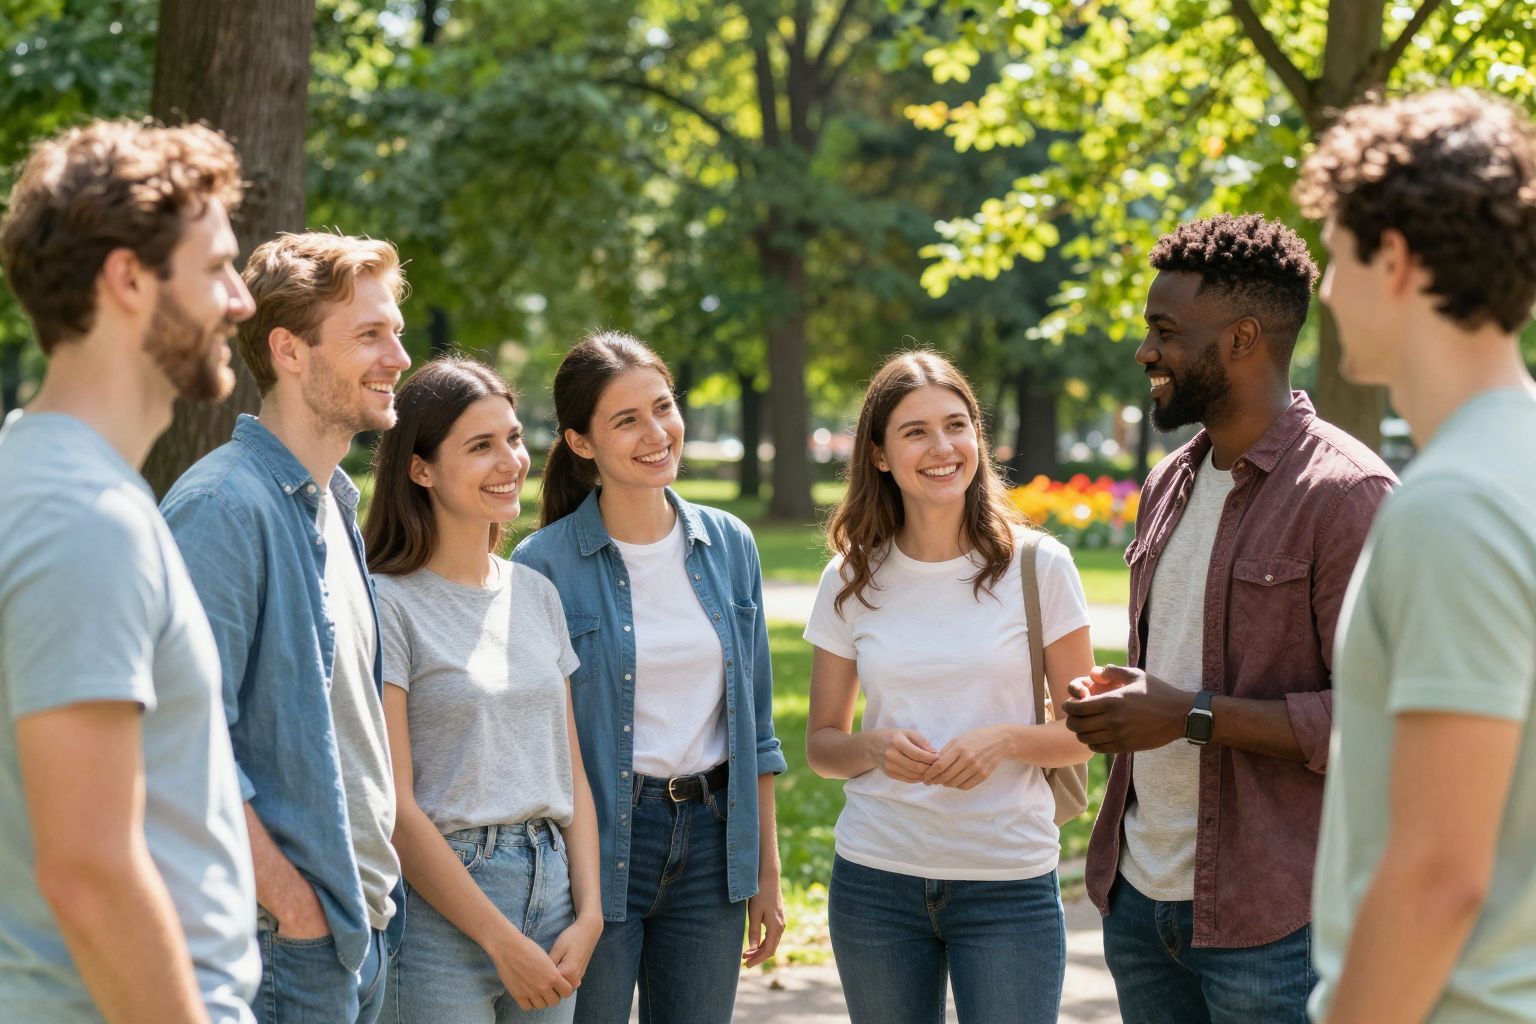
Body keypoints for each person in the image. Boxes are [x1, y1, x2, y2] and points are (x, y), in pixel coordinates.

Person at [1060, 213, 1396, 1024]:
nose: (1145, 351)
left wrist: (1185, 716)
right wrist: (1127, 700)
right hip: (1141, 900)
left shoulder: (1348, 496)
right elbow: (1176, 665)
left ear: (1243, 338)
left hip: (1274, 919)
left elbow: (1377, 723)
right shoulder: (1170, 480)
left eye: (1165, 331)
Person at [0, 119, 259, 1021]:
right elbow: (89, 873)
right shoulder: (85, 519)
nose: (242, 300)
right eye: (218, 267)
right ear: (128, 279)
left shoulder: (44, 478)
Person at [1296, 89, 1536, 1024]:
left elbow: (1440, 873)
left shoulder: (1454, 506)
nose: (1324, 288)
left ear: (1392, 259)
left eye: (1336, 254)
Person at [160, 231, 411, 1022]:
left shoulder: (332, 503)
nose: (398, 357)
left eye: (394, 330)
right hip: (285, 947)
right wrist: (295, 912)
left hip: (359, 932)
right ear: (289, 351)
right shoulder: (224, 510)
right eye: (369, 335)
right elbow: (181, 750)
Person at [803, 350, 1096, 1024]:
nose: (943, 448)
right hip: (876, 880)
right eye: (915, 432)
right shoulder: (850, 579)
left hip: (1007, 883)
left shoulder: (1039, 567)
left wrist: (1004, 741)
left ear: (977, 438)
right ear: (879, 455)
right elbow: (822, 746)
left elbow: (1086, 734)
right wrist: (873, 749)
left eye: (957, 425)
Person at [511, 331, 787, 1023]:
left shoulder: (730, 545)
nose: (656, 432)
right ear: (580, 443)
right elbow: (537, 742)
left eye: (663, 407)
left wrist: (765, 871)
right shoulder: (541, 565)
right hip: (598, 845)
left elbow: (755, 722)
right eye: (626, 420)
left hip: (713, 841)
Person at [363, 356, 603, 1021]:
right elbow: (396, 807)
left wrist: (590, 914)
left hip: (554, 896)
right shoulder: (385, 604)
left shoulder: (535, 592)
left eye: (514, 438)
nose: (512, 461)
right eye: (480, 446)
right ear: (420, 469)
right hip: (444, 908)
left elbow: (571, 773)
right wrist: (500, 939)